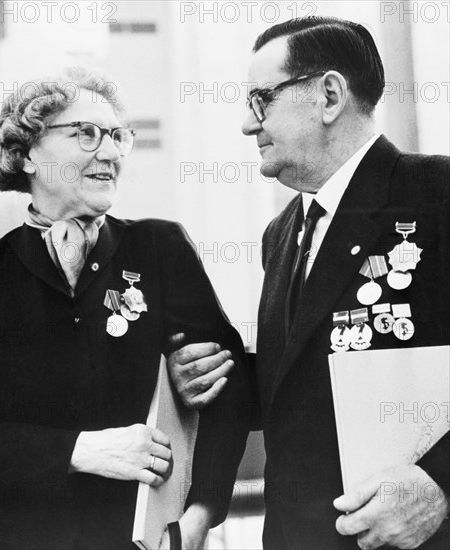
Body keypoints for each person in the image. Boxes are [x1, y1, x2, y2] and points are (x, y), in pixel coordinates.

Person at [168, 16, 450, 550]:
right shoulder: (281, 235)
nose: (248, 125)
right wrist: (208, 377)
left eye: (261, 99)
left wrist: (441, 484)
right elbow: (299, 381)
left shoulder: (436, 195)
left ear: (328, 95)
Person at [0, 67, 250, 550]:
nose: (109, 152)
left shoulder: (160, 248)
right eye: (85, 134)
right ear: (27, 155)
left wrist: (199, 518)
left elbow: (227, 392)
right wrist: (77, 450)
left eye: (116, 136)